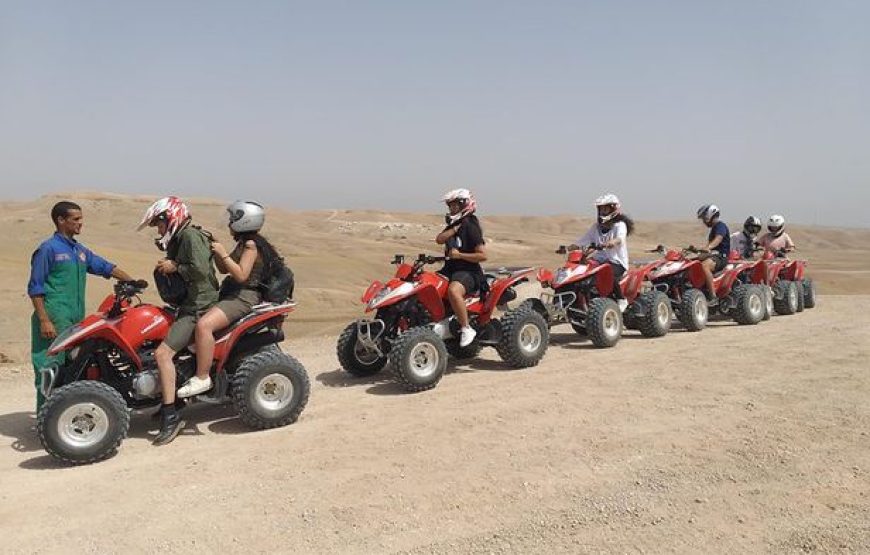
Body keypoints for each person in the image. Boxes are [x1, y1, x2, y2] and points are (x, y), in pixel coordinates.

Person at [27, 201, 135, 411]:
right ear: (61, 220)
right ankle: (46, 416)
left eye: (81, 218)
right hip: (53, 316)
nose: (80, 223)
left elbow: (103, 266)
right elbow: (35, 287)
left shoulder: (79, 250)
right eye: (75, 219)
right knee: (48, 367)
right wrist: (44, 319)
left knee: (74, 366)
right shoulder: (48, 249)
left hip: (75, 318)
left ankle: (66, 412)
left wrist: (131, 281)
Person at [137, 196, 219, 445]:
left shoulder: (190, 237)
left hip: (198, 306)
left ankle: (170, 415)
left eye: (159, 224)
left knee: (163, 354)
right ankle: (174, 398)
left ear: (170, 218)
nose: (159, 230)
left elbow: (201, 271)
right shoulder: (181, 237)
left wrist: (176, 267)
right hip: (189, 303)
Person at [178, 201, 276, 398]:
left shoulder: (251, 245)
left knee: (204, 326)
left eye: (233, 219)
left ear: (244, 221)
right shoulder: (243, 243)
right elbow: (224, 268)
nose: (230, 223)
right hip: (234, 294)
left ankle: (203, 376)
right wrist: (215, 249)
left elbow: (241, 275)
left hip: (244, 297)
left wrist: (223, 252)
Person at [435, 188, 487, 347]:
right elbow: (439, 239)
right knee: (429, 285)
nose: (451, 209)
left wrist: (460, 256)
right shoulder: (455, 225)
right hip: (451, 269)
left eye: (454, 206)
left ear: (464, 205)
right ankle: (442, 321)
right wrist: (454, 229)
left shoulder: (471, 225)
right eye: (449, 206)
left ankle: (466, 328)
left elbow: (482, 256)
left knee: (453, 291)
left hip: (469, 272)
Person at [566, 194, 634, 311]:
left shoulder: (619, 225)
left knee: (606, 272)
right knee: (581, 271)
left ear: (613, 209)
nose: (602, 211)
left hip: (617, 262)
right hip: (598, 261)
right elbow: (583, 240)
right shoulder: (596, 227)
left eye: (605, 208)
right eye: (601, 209)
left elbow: (619, 239)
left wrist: (610, 242)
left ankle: (621, 299)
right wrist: (568, 248)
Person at [696, 204, 730, 304]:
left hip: (721, 257)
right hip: (713, 256)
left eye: (704, 218)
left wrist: (708, 247)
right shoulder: (714, 229)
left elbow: (718, 239)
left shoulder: (720, 226)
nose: (703, 221)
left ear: (710, 215)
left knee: (704, 266)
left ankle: (713, 297)